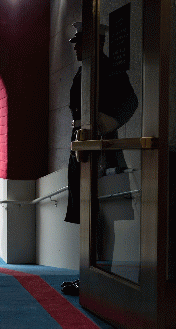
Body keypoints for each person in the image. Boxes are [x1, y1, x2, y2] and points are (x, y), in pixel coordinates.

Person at [65, 21, 138, 225]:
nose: (75, 47)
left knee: (101, 211)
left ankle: (96, 256)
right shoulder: (85, 70)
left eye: (79, 43)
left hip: (100, 143)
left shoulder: (108, 69)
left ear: (92, 44)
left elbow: (130, 101)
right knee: (85, 206)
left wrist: (108, 122)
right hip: (83, 140)